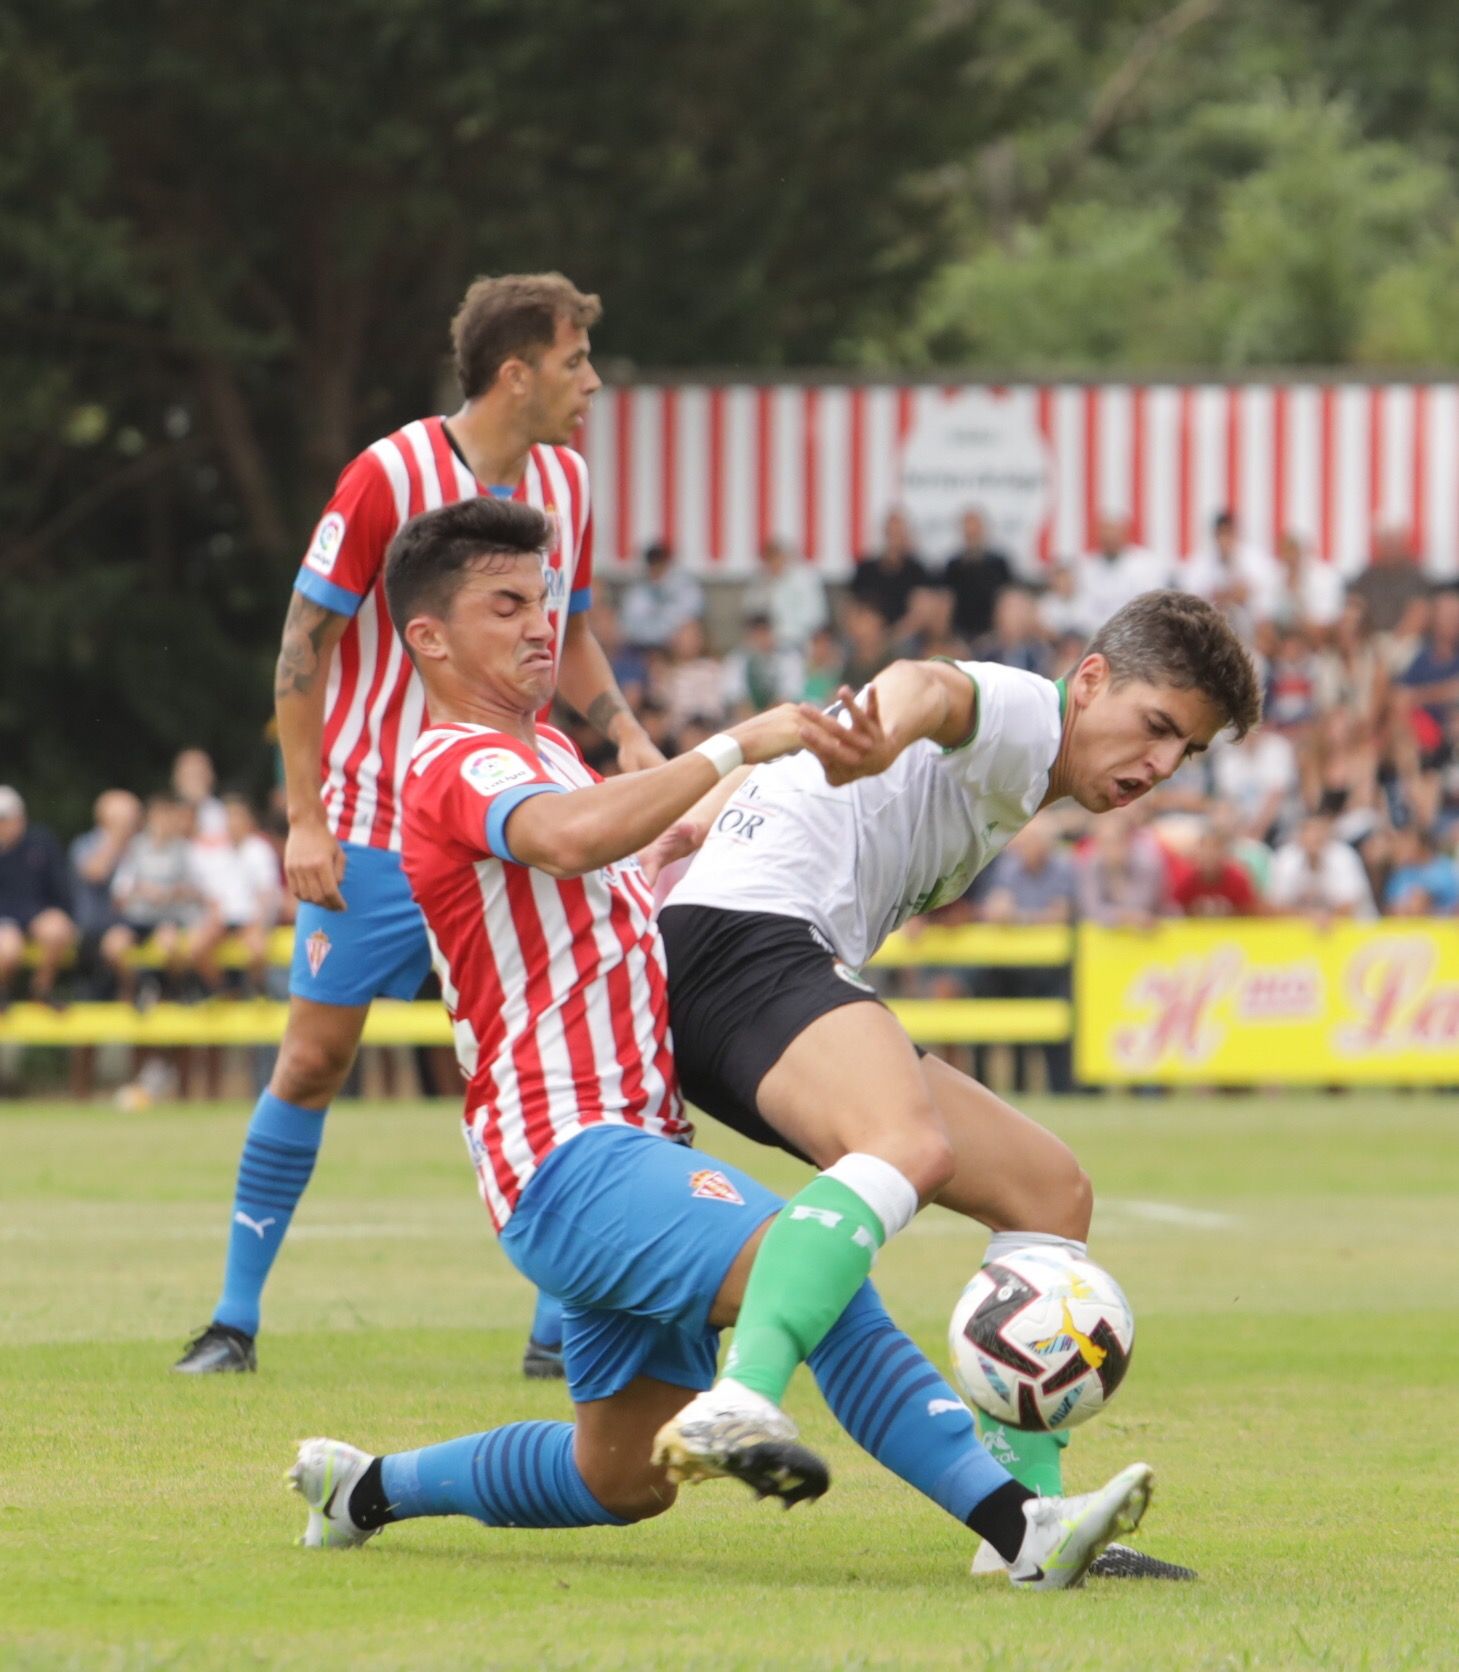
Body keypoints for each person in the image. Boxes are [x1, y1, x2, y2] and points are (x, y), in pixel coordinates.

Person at [286, 492, 1155, 1589]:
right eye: (504, 604)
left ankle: (361, 1488)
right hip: (571, 1152)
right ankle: (1022, 1528)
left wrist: (682, 833)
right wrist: (739, 741)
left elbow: (589, 864)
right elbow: (562, 838)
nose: (538, 624)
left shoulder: (546, 749)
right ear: (427, 637)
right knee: (818, 1264)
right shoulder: (456, 758)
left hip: (624, 1150)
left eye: (543, 600)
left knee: (620, 1480)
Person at [655, 589, 1258, 1581]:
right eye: (1156, 726)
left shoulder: (1027, 775)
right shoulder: (1028, 713)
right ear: (1094, 679)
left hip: (758, 956)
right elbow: (930, 688)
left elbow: (835, 749)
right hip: (744, 946)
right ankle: (741, 1394)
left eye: (1185, 752)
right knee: (905, 1146)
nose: (1159, 766)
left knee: (1046, 1190)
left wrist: (712, 807)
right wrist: (878, 725)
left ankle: (1025, 1529)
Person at [175, 272, 662, 1376]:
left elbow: (572, 634)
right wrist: (304, 817)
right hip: (375, 827)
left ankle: (560, 1329)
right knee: (311, 1060)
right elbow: (302, 643)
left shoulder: (568, 488)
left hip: (509, 812)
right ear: (515, 372)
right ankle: (233, 1321)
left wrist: (625, 737)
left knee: (566, 1059)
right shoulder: (388, 473)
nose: (590, 383)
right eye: (576, 360)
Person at [0, 786, 78, 1009]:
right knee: (8, 948)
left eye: (6, 818)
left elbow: (61, 889)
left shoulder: (41, 842)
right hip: (5, 921)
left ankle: (41, 990)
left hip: (36, 915)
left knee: (57, 928)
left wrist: (62, 913)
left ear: (20, 817)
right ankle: (4, 994)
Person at [742, 536, 829, 651]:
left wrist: (779, 635)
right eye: (769, 558)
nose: (773, 563)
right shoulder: (759, 580)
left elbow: (815, 618)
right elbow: (750, 611)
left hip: (799, 643)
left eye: (776, 557)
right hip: (764, 643)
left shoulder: (805, 580)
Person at [618, 540, 705, 652]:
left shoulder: (686, 587)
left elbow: (691, 618)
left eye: (660, 562)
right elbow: (629, 627)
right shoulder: (637, 591)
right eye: (653, 563)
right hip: (643, 650)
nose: (657, 567)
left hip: (676, 649)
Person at [941, 508, 1012, 644]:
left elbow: (1007, 596)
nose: (972, 534)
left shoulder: (999, 563)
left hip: (993, 632)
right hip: (958, 632)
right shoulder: (953, 565)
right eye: (968, 530)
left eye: (975, 530)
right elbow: (946, 600)